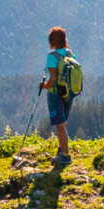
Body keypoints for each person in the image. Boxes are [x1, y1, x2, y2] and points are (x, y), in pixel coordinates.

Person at [39, 26, 74, 166]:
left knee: (59, 124)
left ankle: (65, 156)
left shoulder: (51, 57)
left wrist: (44, 86)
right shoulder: (70, 54)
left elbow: (52, 78)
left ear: (51, 41)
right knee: (63, 122)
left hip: (55, 94)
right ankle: (61, 149)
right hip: (69, 92)